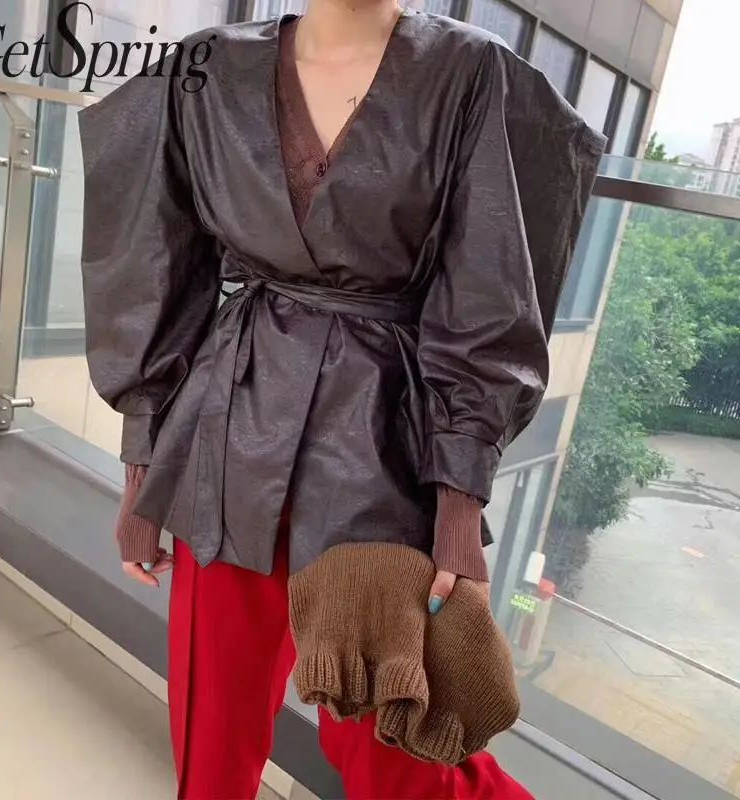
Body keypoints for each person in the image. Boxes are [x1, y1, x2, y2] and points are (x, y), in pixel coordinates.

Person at [78, 0, 605, 796]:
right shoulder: (205, 69)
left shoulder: (474, 75)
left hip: (385, 452)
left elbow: (493, 296)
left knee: (397, 750)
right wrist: (143, 466)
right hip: (229, 435)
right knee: (210, 733)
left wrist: (458, 510)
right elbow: (153, 264)